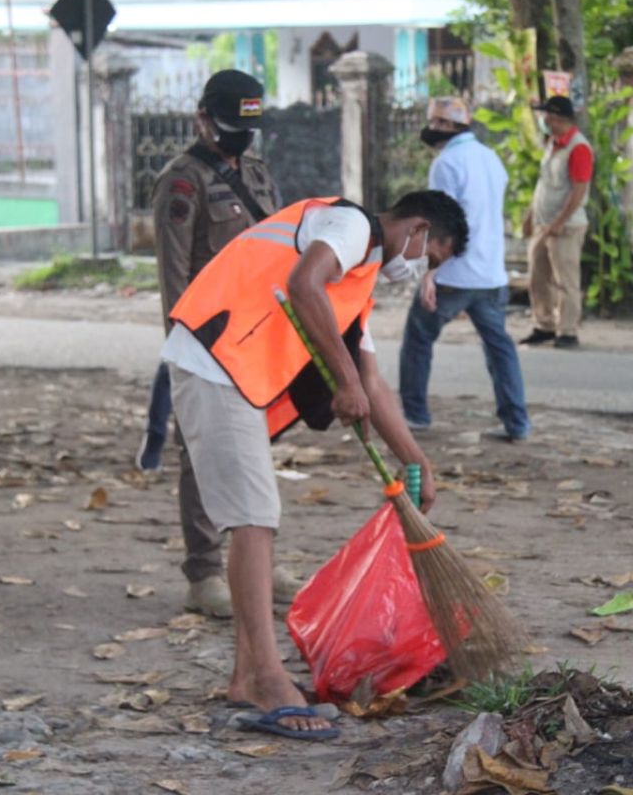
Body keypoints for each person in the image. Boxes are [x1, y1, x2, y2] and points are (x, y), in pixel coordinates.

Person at [162, 189, 468, 739]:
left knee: (254, 519)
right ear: (418, 229)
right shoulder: (348, 225)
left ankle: (245, 677)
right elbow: (305, 284)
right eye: (433, 256)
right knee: (254, 519)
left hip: (233, 375)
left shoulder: (359, 280)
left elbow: (370, 382)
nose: (425, 268)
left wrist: (415, 459)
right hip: (214, 361)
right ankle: (266, 678)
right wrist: (345, 383)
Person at [142, 70, 280, 619]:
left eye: (246, 130)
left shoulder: (259, 173)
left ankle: (256, 559)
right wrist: (188, 342)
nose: (238, 140)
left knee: (253, 449)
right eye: (229, 129)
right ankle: (204, 570)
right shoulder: (182, 183)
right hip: (206, 340)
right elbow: (174, 277)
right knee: (199, 453)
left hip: (260, 336)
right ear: (202, 119)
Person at [399, 97, 531, 442]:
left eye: (433, 122)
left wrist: (428, 272)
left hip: (454, 274)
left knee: (418, 339)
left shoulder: (447, 163)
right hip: (490, 273)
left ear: (444, 126)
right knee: (499, 346)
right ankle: (517, 423)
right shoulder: (491, 158)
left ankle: (415, 415)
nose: (428, 128)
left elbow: (439, 222)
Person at [520, 95, 593, 349]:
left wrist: (560, 221)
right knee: (537, 276)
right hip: (544, 223)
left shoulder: (578, 147)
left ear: (556, 117)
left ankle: (568, 330)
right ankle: (544, 324)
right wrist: (530, 215)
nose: (543, 120)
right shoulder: (552, 143)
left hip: (566, 226)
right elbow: (544, 184)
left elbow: (579, 190)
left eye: (546, 115)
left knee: (566, 280)